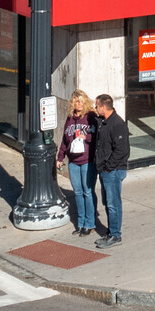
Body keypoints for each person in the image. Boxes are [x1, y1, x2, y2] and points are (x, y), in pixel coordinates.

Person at [90, 93, 130, 249]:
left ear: (103, 106)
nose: (95, 108)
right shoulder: (104, 122)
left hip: (112, 171)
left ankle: (115, 235)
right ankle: (111, 231)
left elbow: (122, 150)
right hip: (105, 169)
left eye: (96, 106)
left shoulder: (117, 124)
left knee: (113, 204)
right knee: (108, 202)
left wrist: (108, 167)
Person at [56, 91, 98, 237]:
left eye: (80, 101)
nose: (78, 104)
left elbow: (98, 136)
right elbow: (64, 140)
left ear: (85, 102)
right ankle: (80, 223)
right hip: (73, 161)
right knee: (78, 193)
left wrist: (85, 136)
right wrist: (60, 157)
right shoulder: (69, 119)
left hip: (87, 161)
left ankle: (90, 223)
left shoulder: (91, 117)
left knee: (87, 191)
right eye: (75, 101)